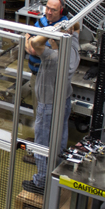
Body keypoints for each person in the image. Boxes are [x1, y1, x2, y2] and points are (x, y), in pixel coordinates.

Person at [21, 21, 80, 196]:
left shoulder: (53, 57)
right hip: (64, 100)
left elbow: (34, 44)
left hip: (48, 104)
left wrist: (52, 31)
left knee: (42, 143)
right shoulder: (73, 52)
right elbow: (77, 27)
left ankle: (41, 182)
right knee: (60, 138)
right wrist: (70, 25)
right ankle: (57, 173)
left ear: (55, 40)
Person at [21, 0, 69, 165]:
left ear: (61, 10)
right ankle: (42, 147)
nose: (48, 12)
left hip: (49, 81)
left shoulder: (63, 27)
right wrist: (29, 40)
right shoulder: (42, 21)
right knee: (38, 115)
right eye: (47, 8)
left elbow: (35, 49)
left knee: (45, 118)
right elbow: (27, 40)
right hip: (36, 77)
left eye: (53, 10)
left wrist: (30, 41)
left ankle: (45, 156)